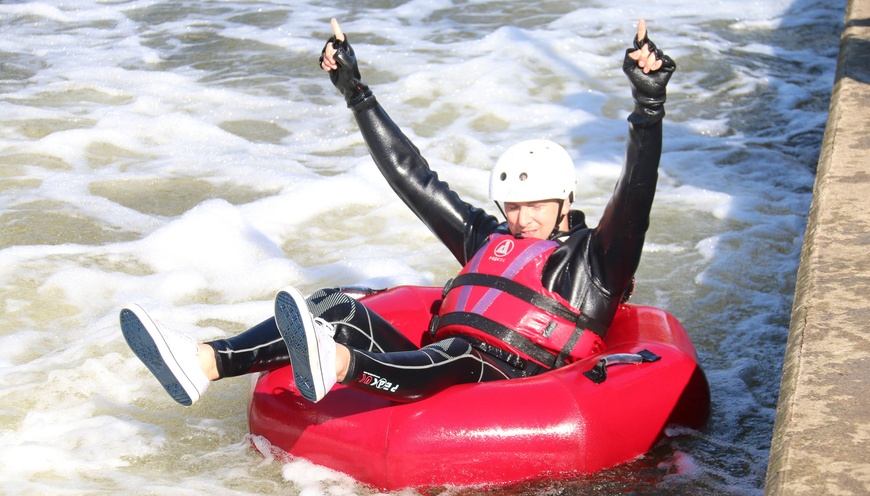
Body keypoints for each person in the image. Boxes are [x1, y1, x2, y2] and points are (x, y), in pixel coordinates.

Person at [120, 18, 675, 407]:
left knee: (456, 352)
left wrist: (648, 106)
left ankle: (337, 365)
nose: (522, 219)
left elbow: (637, 193)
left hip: (509, 380)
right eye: (514, 207)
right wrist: (356, 94)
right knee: (333, 305)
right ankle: (204, 363)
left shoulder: (597, 265)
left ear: (566, 202)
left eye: (537, 207)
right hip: (438, 360)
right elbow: (413, 178)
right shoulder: (490, 239)